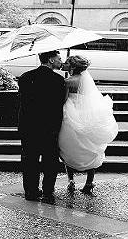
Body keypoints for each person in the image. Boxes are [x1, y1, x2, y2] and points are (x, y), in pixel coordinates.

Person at [59, 55, 118, 195]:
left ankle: (71, 180)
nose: (63, 64)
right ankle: (89, 182)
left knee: (68, 146)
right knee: (91, 147)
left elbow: (64, 99)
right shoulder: (87, 81)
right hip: (88, 115)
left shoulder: (67, 81)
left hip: (72, 114)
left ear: (72, 67)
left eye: (67, 63)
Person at [18, 50, 66, 203]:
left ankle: (31, 192)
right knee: (50, 160)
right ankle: (47, 191)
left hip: (29, 126)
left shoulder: (25, 77)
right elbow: (60, 104)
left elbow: (23, 102)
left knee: (29, 159)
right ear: (51, 60)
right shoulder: (58, 80)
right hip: (49, 127)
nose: (61, 61)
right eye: (59, 58)